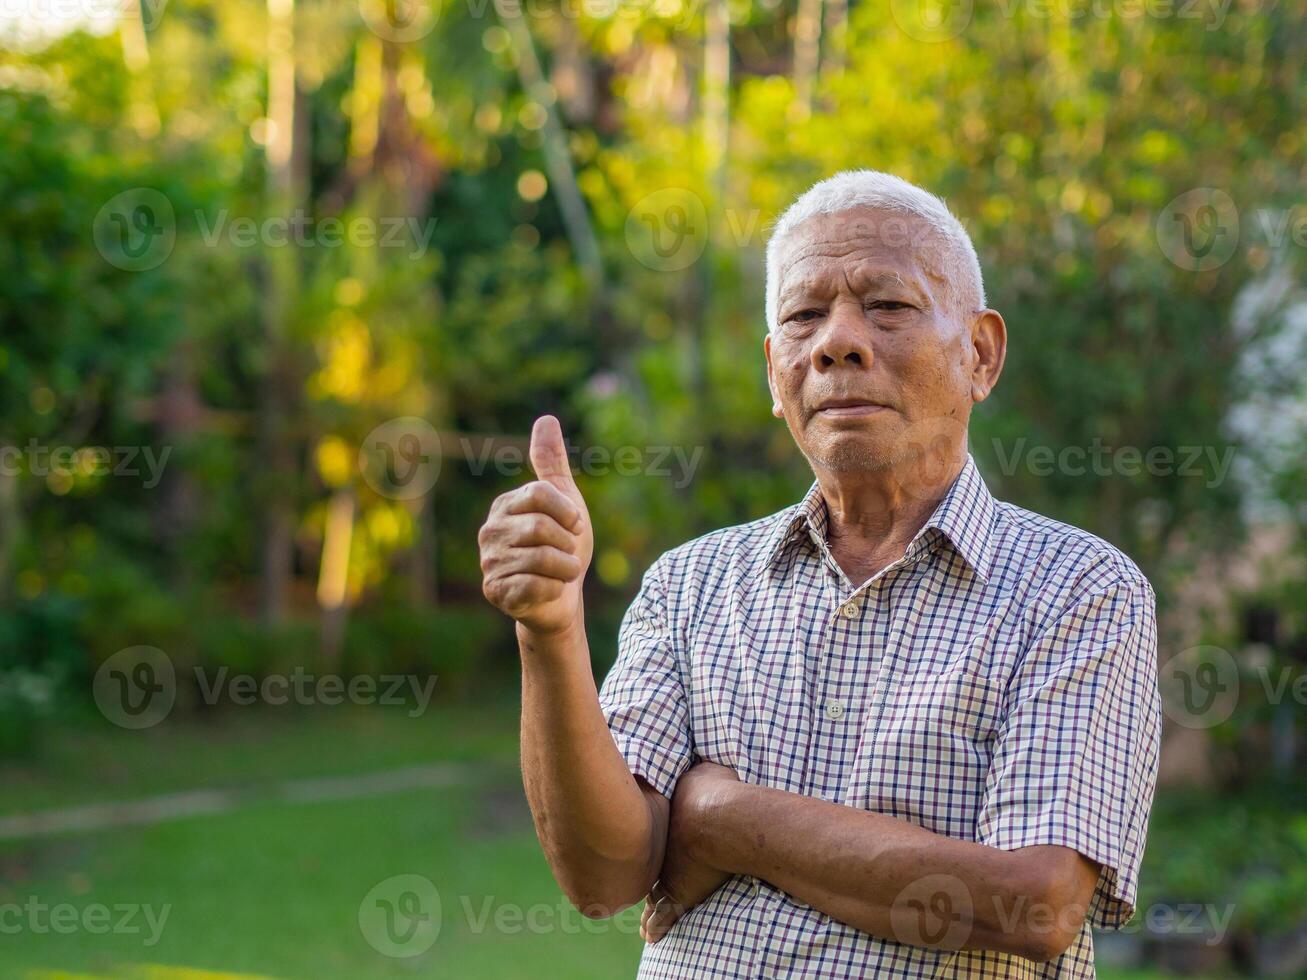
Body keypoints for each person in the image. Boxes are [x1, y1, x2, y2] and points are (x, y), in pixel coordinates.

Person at [478, 170, 1161, 978]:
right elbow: (602, 879)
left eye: (888, 307)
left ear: (980, 354)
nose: (838, 341)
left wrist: (724, 817)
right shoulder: (690, 585)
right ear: (775, 369)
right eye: (804, 315)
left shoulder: (1078, 588)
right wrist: (549, 630)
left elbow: (1034, 902)